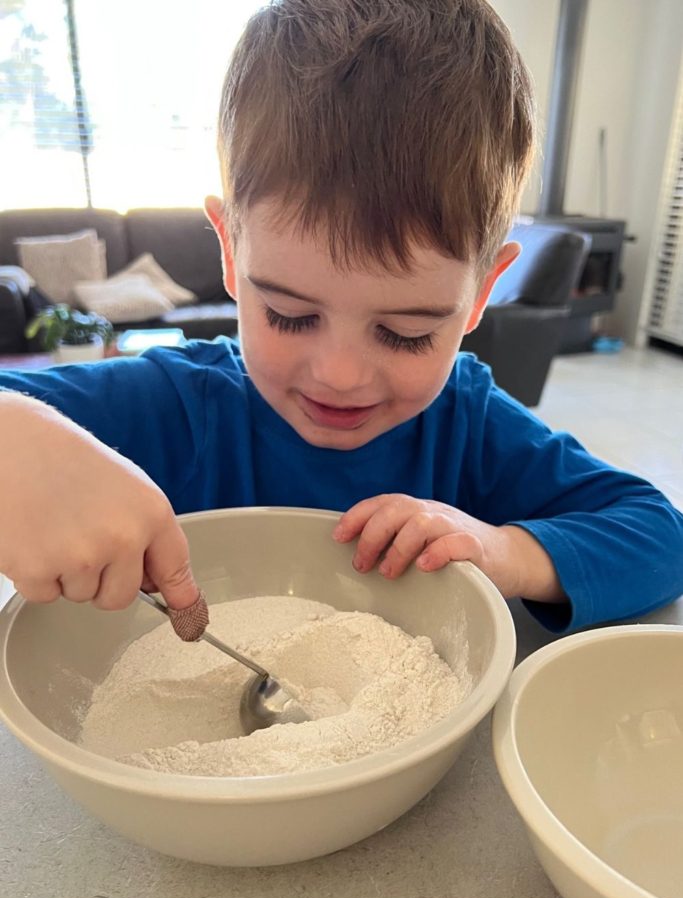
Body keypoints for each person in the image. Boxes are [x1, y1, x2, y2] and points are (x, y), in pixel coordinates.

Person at [0, 0, 681, 635]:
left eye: (406, 332)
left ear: (479, 295)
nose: (341, 375)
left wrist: (506, 550)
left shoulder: (464, 425)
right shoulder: (174, 406)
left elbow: (659, 534)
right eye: (290, 314)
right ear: (230, 254)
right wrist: (20, 440)